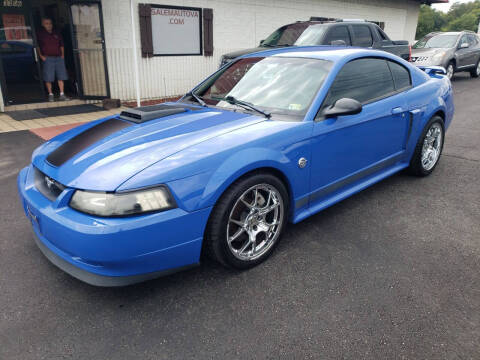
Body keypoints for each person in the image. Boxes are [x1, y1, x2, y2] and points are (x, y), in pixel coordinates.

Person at [36, 18, 69, 101]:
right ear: (43, 25)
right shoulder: (40, 34)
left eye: (50, 23)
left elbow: (61, 45)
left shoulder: (56, 33)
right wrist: (41, 56)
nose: (49, 25)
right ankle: (50, 94)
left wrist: (62, 55)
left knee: (61, 76)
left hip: (58, 57)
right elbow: (37, 46)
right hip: (47, 58)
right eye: (46, 23)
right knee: (48, 77)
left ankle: (62, 94)